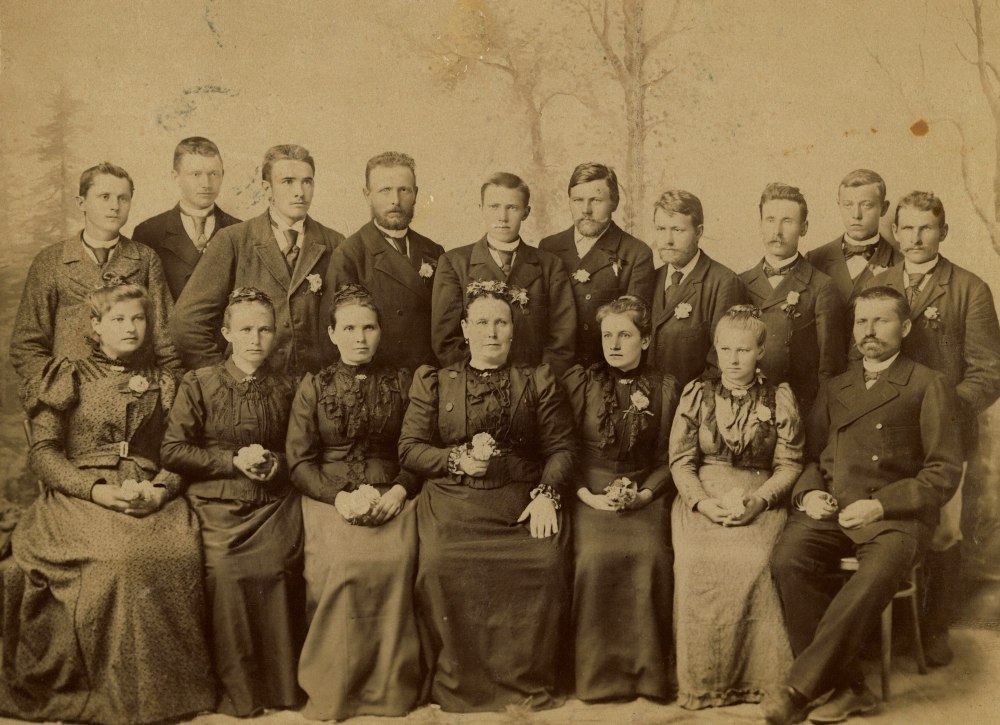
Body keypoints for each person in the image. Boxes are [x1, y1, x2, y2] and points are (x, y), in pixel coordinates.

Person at [0, 284, 214, 725]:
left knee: (177, 549)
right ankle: (108, 693)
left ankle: (170, 692)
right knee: (119, 557)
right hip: (81, 491)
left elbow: (180, 450)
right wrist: (95, 490)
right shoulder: (68, 375)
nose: (130, 327)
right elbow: (44, 452)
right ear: (95, 327)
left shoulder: (166, 381)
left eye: (138, 319)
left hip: (148, 488)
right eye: (118, 319)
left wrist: (161, 490)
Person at [764, 286, 962, 725]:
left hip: (896, 518)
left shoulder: (928, 384)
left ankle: (800, 688)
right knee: (788, 559)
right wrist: (809, 493)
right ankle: (851, 686)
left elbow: (943, 472)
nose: (868, 331)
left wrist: (881, 506)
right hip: (834, 508)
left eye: (881, 320)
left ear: (905, 327)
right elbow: (813, 456)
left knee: (874, 574)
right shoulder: (836, 387)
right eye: (861, 321)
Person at [399, 283, 576, 712]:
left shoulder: (537, 379)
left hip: (519, 497)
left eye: (501, 322)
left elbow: (562, 448)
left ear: (513, 330)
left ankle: (524, 682)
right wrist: (455, 460)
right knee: (441, 562)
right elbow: (409, 448)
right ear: (465, 328)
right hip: (454, 499)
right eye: (481, 322)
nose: (492, 332)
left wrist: (547, 495)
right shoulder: (437, 381)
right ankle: (461, 684)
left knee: (545, 561)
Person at [161, 288, 304, 716]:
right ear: (227, 333)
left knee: (281, 565)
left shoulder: (288, 385)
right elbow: (173, 450)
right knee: (224, 569)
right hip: (217, 500)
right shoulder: (200, 382)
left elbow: (300, 449)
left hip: (274, 501)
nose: (256, 338)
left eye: (264, 329)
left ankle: (280, 688)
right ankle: (240, 691)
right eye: (245, 330)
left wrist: (273, 463)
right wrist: (232, 460)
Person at [871, 191, 1000, 666]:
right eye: (906, 228)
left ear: (943, 232)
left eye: (926, 228)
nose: (915, 238)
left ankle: (936, 628)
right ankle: (890, 629)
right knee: (885, 521)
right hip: (884, 432)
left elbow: (989, 372)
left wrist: (940, 409)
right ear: (895, 232)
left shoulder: (970, 288)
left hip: (945, 434)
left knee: (944, 531)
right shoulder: (878, 282)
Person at [285, 283, 423, 720]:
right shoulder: (315, 385)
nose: (360, 338)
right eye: (349, 328)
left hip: (393, 492)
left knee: (398, 560)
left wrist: (401, 489)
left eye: (369, 327)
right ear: (332, 334)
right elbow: (299, 461)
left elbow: (418, 448)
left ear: (381, 331)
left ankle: (390, 688)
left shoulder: (404, 381)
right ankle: (337, 687)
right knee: (344, 563)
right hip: (327, 495)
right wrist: (338, 498)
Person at [669, 304, 803, 709]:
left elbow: (790, 463)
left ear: (760, 351)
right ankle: (704, 682)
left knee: (758, 561)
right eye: (725, 349)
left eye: (743, 350)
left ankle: (760, 681)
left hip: (760, 494)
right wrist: (702, 504)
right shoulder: (697, 393)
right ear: (716, 349)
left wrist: (759, 501)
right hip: (704, 492)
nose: (733, 359)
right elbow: (680, 460)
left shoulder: (779, 397)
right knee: (695, 561)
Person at [562, 295, 679, 702]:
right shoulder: (581, 381)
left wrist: (644, 495)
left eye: (625, 335)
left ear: (645, 340)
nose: (613, 344)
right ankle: (596, 678)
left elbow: (669, 458)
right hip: (588, 489)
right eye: (607, 334)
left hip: (644, 488)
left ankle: (647, 677)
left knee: (652, 556)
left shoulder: (665, 387)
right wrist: (587, 497)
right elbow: (565, 450)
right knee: (593, 556)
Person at [10, 161, 181, 406]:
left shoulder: (145, 259)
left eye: (123, 198)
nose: (114, 206)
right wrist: (59, 388)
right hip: (72, 398)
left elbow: (166, 338)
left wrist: (165, 386)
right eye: (104, 197)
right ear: (81, 203)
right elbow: (26, 343)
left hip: (134, 396)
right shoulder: (51, 261)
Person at [172, 144, 345, 376]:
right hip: (253, 392)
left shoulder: (334, 243)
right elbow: (187, 322)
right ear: (267, 188)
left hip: (316, 390)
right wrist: (225, 379)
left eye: (307, 181)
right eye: (288, 181)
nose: (299, 192)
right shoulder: (234, 240)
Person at [431, 172, 577, 374]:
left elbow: (563, 338)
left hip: (534, 385)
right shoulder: (454, 264)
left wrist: (539, 382)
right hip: (474, 388)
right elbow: (446, 340)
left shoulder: (550, 266)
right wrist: (479, 380)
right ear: (481, 209)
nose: (502, 217)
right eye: (494, 207)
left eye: (512, 207)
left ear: (526, 212)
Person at [322, 151, 444, 370]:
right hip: (378, 378)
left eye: (404, 190)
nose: (395, 201)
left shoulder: (433, 250)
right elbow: (341, 332)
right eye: (385, 190)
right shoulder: (350, 254)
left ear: (416, 194)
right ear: (367, 195)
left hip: (426, 378)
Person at [739, 183, 846, 413]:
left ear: (804, 228)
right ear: (760, 224)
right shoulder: (740, 282)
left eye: (787, 221)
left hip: (798, 409)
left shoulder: (821, 286)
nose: (777, 231)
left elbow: (829, 369)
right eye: (769, 220)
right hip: (746, 407)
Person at [540, 163, 655, 368]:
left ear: (614, 202)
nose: (586, 210)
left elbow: (634, 327)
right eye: (578, 200)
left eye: (596, 200)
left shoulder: (636, 253)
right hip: (556, 371)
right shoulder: (549, 247)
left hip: (607, 373)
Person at [649, 189, 746, 387]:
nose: (667, 239)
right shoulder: (650, 278)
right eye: (661, 229)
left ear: (699, 232)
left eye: (677, 230)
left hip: (693, 407)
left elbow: (721, 361)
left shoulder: (724, 283)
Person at [133, 136, 241, 301]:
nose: (206, 183)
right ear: (176, 177)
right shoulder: (148, 232)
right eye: (196, 174)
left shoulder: (240, 230)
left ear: (223, 175)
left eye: (213, 173)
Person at [806, 169, 902, 305]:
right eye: (848, 205)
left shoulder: (900, 262)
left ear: (884, 208)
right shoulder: (814, 260)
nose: (856, 215)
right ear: (839, 205)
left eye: (866, 205)